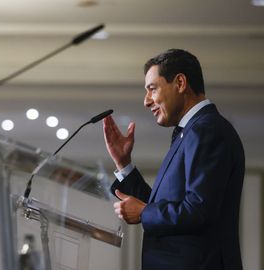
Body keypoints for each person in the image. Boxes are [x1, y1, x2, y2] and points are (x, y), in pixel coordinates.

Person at [102, 49, 245, 270]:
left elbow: (198, 210)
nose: (146, 101)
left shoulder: (207, 129)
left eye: (152, 89)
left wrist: (143, 212)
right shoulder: (192, 131)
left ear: (180, 83)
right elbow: (167, 207)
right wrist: (124, 164)